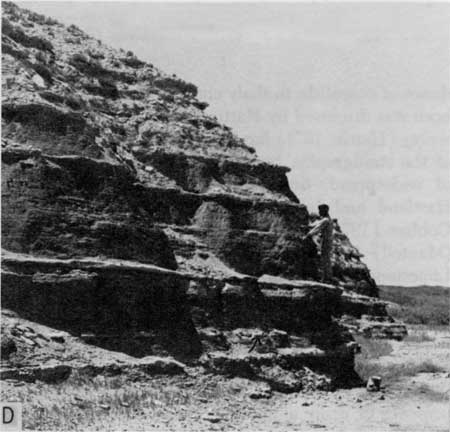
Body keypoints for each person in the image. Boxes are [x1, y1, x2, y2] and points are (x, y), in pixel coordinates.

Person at [303, 204, 334, 283]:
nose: (319, 212)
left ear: (325, 210)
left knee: (324, 259)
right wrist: (306, 226)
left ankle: (326, 278)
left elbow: (317, 228)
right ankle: (327, 278)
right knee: (326, 259)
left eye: (320, 210)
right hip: (327, 241)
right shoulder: (327, 219)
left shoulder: (326, 220)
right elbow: (315, 224)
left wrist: (308, 235)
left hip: (326, 241)